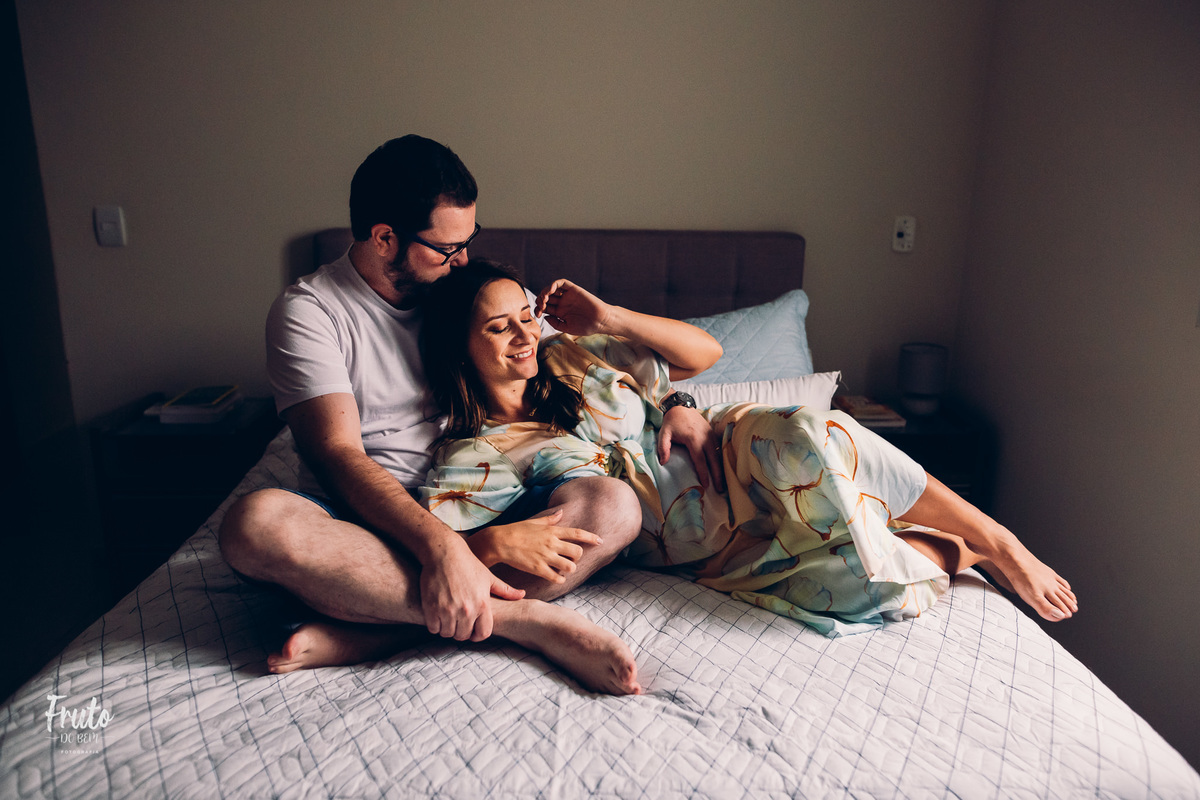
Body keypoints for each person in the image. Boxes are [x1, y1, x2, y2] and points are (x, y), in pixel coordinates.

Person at [217, 136, 721, 695]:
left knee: (613, 504)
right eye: (445, 248)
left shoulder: (470, 292)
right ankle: (517, 618)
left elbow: (584, 362)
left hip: (493, 506)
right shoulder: (312, 312)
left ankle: (380, 632)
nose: (460, 260)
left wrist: (674, 402)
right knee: (254, 524)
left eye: (468, 241)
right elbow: (335, 454)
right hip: (368, 527)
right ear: (384, 239)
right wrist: (444, 548)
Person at [414, 260, 1078, 636]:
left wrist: (615, 325)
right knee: (865, 592)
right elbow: (427, 547)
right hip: (708, 545)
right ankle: (956, 548)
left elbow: (704, 354)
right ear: (457, 348)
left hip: (734, 454)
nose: (524, 337)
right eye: (499, 329)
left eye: (526, 316)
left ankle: (996, 539)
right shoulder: (475, 455)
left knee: (804, 433)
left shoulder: (572, 355)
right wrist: (490, 543)